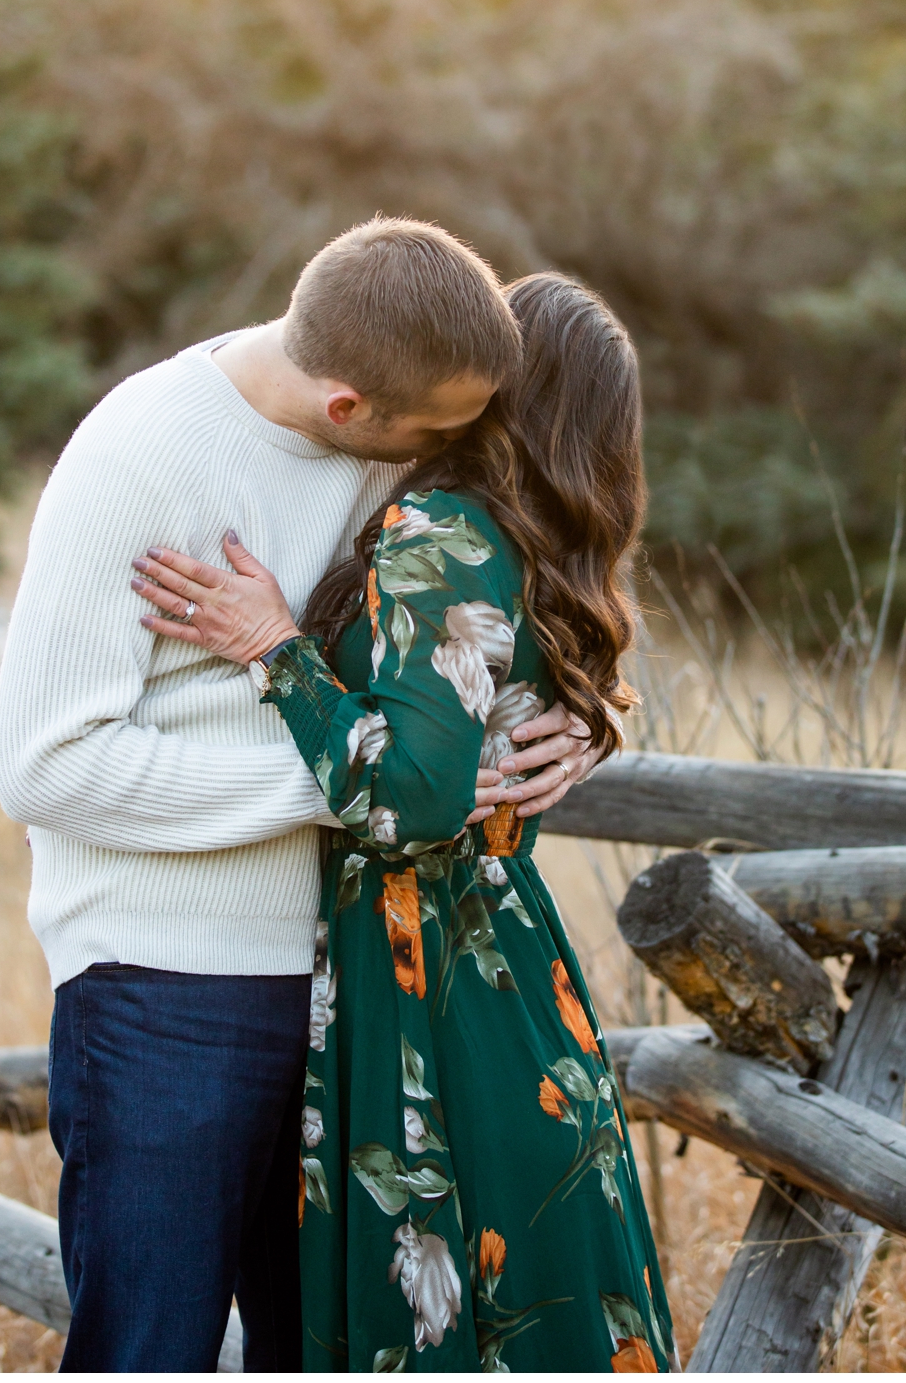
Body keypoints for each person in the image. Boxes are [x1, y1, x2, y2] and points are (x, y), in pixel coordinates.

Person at [0, 218, 597, 1372]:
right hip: (168, 984)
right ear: (348, 409)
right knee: (149, 1347)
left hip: (358, 980)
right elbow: (46, 765)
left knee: (316, 1350)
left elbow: (501, 588)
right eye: (440, 434)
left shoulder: (400, 428)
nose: (456, 455)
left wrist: (568, 727)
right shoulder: (142, 456)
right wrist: (370, 783)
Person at [136, 272, 676, 1371]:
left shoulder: (442, 525)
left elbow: (410, 799)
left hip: (425, 965)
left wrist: (276, 649)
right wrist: (598, 715)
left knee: (440, 1307)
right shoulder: (534, 543)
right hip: (509, 962)